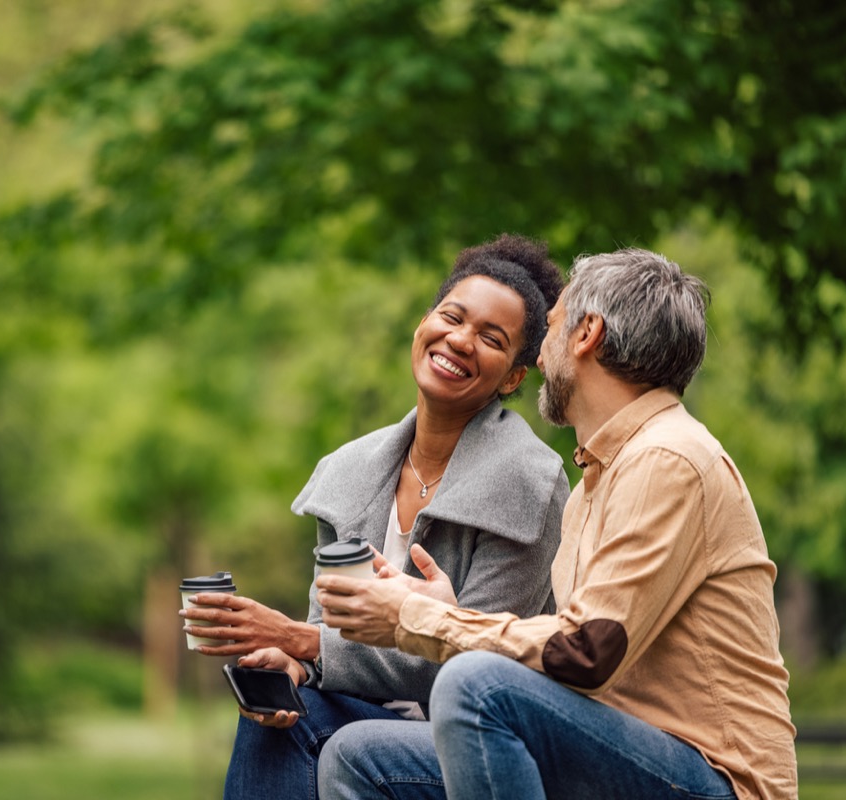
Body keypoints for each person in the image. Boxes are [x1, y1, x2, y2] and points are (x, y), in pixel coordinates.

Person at [316, 247, 798, 799]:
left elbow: (586, 652)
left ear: (586, 332)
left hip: (715, 780)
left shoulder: (669, 459)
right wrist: (451, 616)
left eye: (548, 328)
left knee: (476, 688)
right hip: (619, 750)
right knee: (359, 757)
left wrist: (415, 617)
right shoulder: (598, 479)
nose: (541, 358)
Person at [180, 234, 571, 800]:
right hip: (370, 715)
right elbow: (332, 634)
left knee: (349, 746)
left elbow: (478, 667)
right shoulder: (351, 471)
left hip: (485, 741)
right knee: (278, 718)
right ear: (423, 323)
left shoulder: (527, 483)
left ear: (513, 377)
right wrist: (295, 666)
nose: (459, 340)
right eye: (451, 317)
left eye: (491, 338)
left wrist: (303, 642)